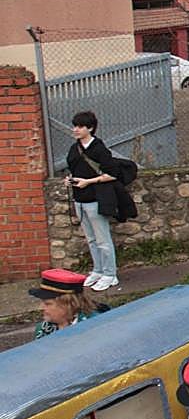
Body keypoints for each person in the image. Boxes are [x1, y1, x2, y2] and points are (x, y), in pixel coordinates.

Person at [65, 110, 121, 292]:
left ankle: (110, 273)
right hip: (79, 199)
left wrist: (88, 182)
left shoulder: (99, 148)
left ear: (90, 128)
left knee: (103, 239)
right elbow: (74, 168)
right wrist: (71, 179)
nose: (76, 129)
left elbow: (112, 174)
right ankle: (97, 270)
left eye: (80, 126)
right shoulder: (75, 148)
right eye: (75, 126)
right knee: (91, 239)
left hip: (95, 198)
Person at [29, 268, 101, 338]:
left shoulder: (94, 328)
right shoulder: (42, 330)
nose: (41, 308)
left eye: (48, 304)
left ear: (70, 304)